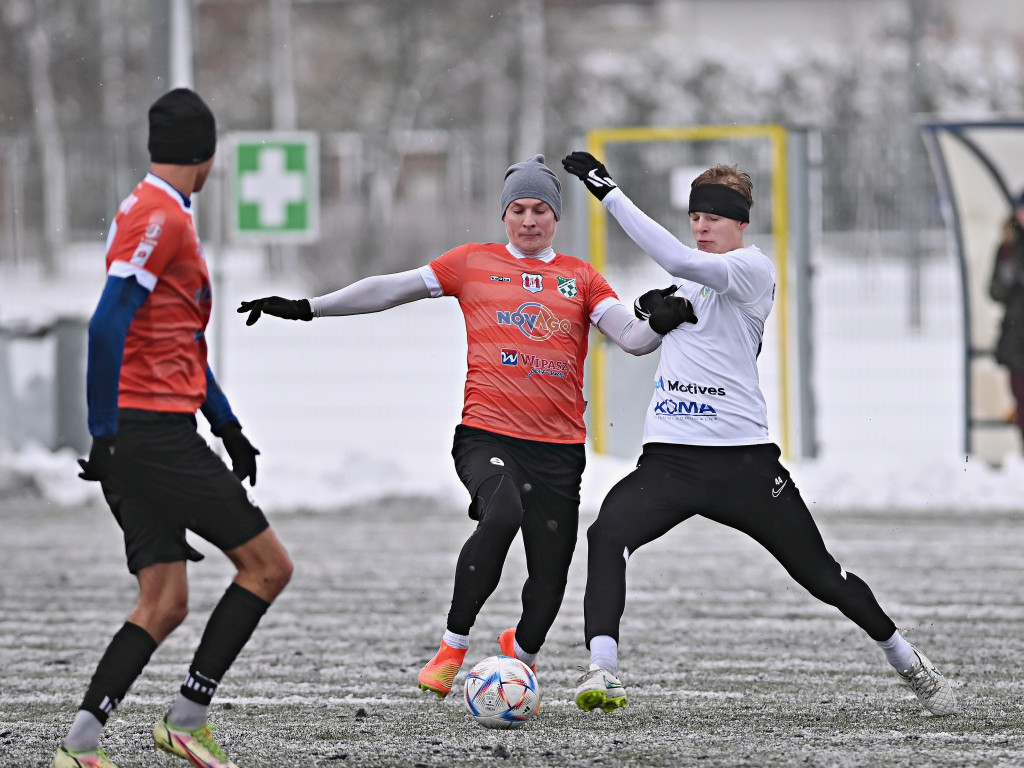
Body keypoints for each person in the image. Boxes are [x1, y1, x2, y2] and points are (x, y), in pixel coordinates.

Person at [238, 154, 695, 699]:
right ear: (504, 215)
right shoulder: (471, 263)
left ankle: (518, 661)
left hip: (559, 450)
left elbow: (633, 338)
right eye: (519, 209)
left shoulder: (581, 278)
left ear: (556, 217)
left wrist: (662, 320)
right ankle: (452, 647)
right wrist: (307, 307)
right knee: (501, 512)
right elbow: (389, 289)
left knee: (548, 587)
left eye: (541, 209)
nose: (529, 220)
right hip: (488, 435)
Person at [560, 150, 958, 717]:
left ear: (741, 223)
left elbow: (678, 259)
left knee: (821, 576)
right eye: (696, 217)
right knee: (606, 537)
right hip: (670, 463)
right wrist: (655, 319)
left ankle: (906, 659)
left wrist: (609, 192)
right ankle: (603, 669)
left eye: (715, 218)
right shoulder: (692, 280)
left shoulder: (751, 268)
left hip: (742, 465)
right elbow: (640, 342)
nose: (701, 227)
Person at [54, 88, 293, 768]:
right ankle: (186, 718)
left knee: (164, 598)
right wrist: (105, 430)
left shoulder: (145, 207)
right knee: (268, 567)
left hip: (145, 429)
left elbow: (175, 339)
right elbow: (106, 324)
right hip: (150, 432)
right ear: (208, 154)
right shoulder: (162, 217)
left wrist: (227, 424)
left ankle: (79, 747)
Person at [989, 190, 1024, 448]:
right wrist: (1008, 279)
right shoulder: (1007, 248)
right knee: (1020, 394)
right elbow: (994, 291)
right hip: (1016, 335)